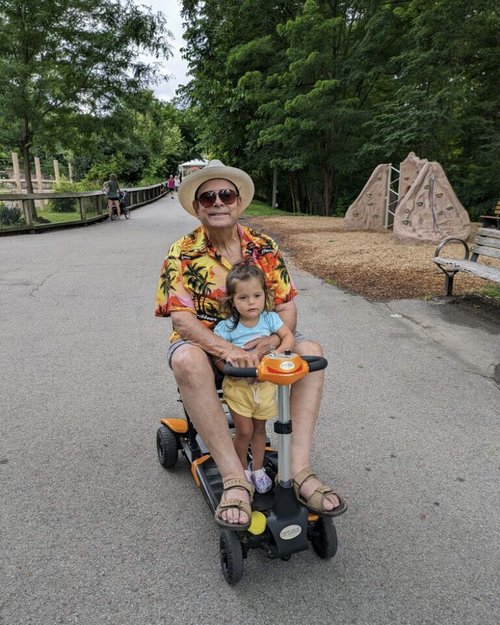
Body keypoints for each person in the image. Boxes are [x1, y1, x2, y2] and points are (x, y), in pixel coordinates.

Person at [154, 159, 347, 530]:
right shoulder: (182, 252)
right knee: (187, 361)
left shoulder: (265, 246)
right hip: (210, 346)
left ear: (238, 202)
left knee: (312, 352)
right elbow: (181, 319)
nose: (217, 202)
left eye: (225, 194)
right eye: (206, 197)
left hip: (266, 340)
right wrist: (229, 351)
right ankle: (234, 480)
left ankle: (300, 469)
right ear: (197, 207)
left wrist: (273, 341)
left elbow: (287, 305)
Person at [214, 262, 295, 494]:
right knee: (245, 431)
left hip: (266, 387)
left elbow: (288, 339)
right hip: (239, 387)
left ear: (265, 295)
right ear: (232, 300)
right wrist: (229, 366)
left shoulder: (270, 320)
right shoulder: (227, 327)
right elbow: (217, 355)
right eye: (243, 297)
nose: (251, 302)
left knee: (260, 431)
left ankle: (257, 469)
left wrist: (275, 356)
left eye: (257, 295)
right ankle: (240, 472)